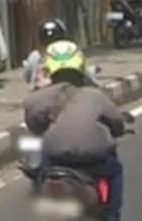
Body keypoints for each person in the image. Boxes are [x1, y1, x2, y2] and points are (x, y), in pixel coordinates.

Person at [23, 41, 128, 220]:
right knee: (115, 170)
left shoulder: (37, 98)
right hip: (93, 161)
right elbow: (117, 122)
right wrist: (119, 130)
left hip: (56, 162)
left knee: (42, 171)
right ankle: (112, 213)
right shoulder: (94, 95)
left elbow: (33, 125)